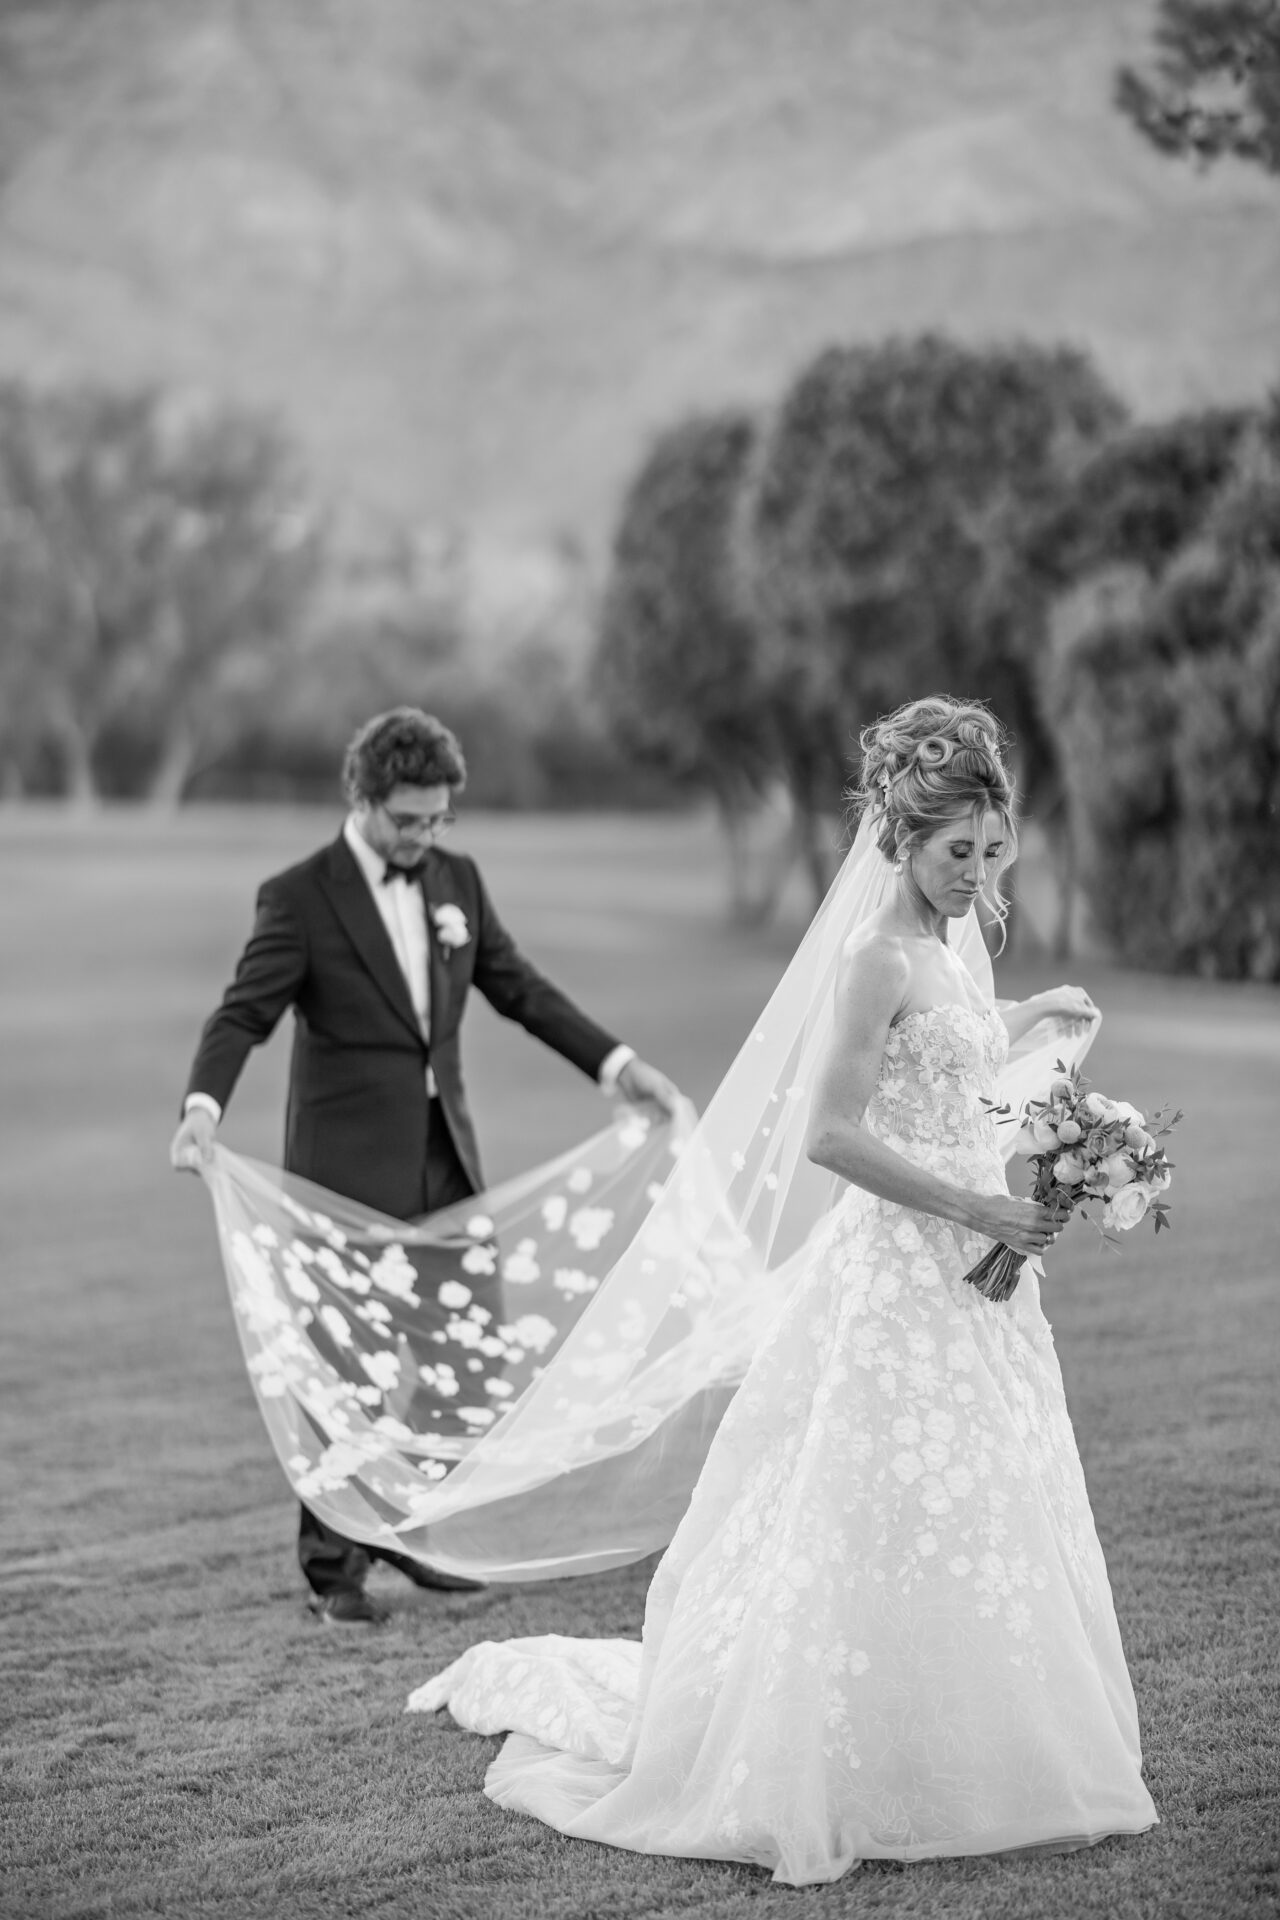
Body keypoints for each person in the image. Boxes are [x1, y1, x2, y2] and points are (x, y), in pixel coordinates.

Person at [412, 696, 1159, 1882]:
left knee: (984, 1500)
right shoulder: (869, 957)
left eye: (989, 851)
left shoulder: (944, 950)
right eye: (952, 853)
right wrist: (976, 1207)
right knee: (867, 1505)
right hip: (902, 1281)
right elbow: (830, 1135)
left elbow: (949, 1050)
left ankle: (969, 1742)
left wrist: (1025, 1017)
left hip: (983, 1288)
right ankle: (840, 1756)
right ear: (897, 842)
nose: (974, 874)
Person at [170, 707, 680, 1624]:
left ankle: (425, 1529)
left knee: (462, 1352)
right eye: (409, 820)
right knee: (347, 1366)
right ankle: (335, 1570)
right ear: (361, 801)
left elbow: (519, 988)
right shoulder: (298, 898)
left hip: (447, 1159)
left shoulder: (458, 881)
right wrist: (202, 1111)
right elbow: (241, 1015)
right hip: (344, 1172)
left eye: (438, 819)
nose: (425, 836)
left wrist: (618, 1063)